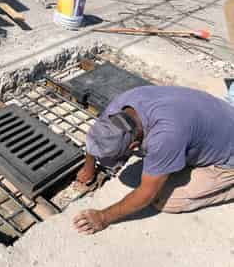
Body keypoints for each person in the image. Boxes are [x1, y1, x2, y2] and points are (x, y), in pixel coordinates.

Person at [73, 86, 234, 235]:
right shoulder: (121, 105)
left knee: (165, 201)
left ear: (134, 145)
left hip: (229, 153)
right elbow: (95, 136)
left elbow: (146, 195)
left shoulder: (165, 136)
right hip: (217, 116)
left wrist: (103, 217)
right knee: (164, 158)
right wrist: (88, 169)